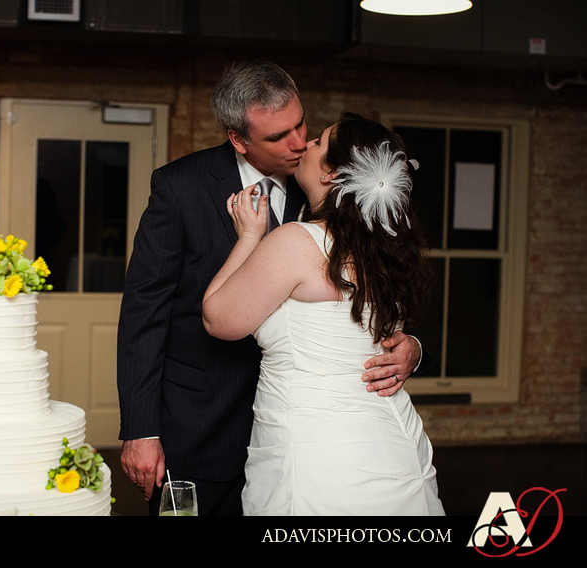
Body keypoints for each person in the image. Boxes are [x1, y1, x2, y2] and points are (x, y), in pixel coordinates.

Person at [117, 62, 427, 516]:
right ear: (238, 139)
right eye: (278, 136)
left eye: (302, 125)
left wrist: (414, 346)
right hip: (202, 428)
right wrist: (142, 430)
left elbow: (391, 282)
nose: (299, 143)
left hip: (312, 436)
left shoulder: (338, 188)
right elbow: (144, 312)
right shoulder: (180, 187)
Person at [202, 112, 444, 515]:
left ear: (331, 173)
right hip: (392, 441)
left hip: (318, 450)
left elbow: (218, 319)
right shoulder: (389, 253)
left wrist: (248, 237)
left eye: (320, 141)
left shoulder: (296, 242)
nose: (308, 142)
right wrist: (414, 346)